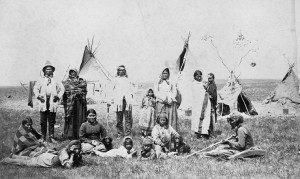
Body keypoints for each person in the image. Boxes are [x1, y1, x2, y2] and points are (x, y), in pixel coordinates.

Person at [34, 61, 65, 142]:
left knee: (51, 120)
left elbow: (62, 89)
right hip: (43, 101)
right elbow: (35, 89)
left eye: (50, 69)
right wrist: (38, 96)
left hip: (52, 101)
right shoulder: (40, 80)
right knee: (43, 120)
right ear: (44, 70)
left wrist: (58, 96)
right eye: (47, 69)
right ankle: (43, 137)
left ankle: (51, 136)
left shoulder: (55, 80)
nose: (49, 70)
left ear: (52, 70)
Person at [107, 65, 135, 138]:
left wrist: (131, 96)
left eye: (123, 70)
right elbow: (110, 90)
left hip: (127, 101)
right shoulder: (115, 79)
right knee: (119, 119)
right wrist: (109, 101)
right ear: (118, 71)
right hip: (118, 101)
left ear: (125, 71)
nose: (121, 71)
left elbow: (133, 89)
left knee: (128, 118)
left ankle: (128, 134)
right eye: (120, 70)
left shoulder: (128, 79)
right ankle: (120, 133)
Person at [62, 68, 87, 139]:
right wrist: (74, 92)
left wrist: (78, 92)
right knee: (71, 118)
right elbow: (65, 92)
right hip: (70, 103)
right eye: (71, 72)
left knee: (80, 118)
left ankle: (79, 134)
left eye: (74, 72)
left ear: (77, 73)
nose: (73, 74)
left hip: (79, 102)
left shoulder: (81, 81)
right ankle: (70, 135)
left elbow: (84, 90)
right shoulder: (66, 82)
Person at [191, 70, 214, 139]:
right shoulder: (193, 84)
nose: (199, 78)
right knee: (197, 118)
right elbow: (196, 94)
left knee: (205, 117)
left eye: (200, 76)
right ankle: (197, 132)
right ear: (194, 77)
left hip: (205, 103)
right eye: (197, 76)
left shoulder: (203, 84)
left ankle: (204, 133)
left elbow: (207, 91)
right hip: (197, 104)